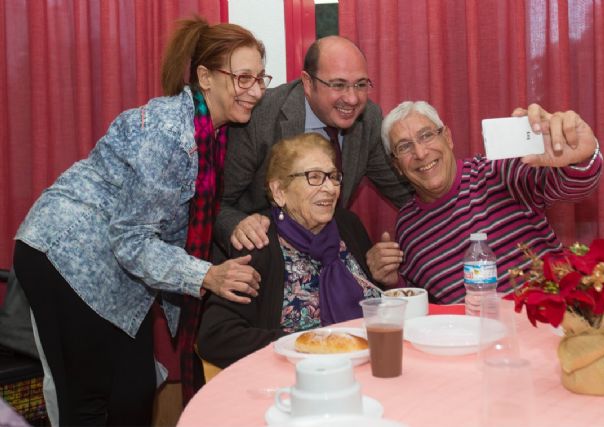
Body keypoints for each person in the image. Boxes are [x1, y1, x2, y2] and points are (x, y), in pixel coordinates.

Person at [12, 16, 269, 425]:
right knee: (89, 401)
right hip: (66, 255)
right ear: (205, 77)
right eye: (242, 78)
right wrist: (207, 276)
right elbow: (133, 239)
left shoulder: (212, 135)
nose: (255, 91)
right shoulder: (168, 132)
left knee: (134, 392)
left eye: (260, 78)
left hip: (119, 268)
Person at [375, 101, 602, 304]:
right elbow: (423, 307)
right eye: (404, 147)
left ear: (448, 138)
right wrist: (392, 281)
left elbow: (572, 188)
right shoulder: (407, 227)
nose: (420, 152)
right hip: (477, 344)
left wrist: (580, 158)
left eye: (426, 135)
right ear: (397, 167)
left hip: (553, 323)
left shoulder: (497, 172)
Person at [197, 133, 392, 367]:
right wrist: (302, 344)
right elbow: (216, 336)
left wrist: (388, 281)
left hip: (370, 362)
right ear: (279, 192)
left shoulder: (348, 225)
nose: (330, 188)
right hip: (298, 380)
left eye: (333, 176)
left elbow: (375, 303)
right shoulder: (259, 243)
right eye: (315, 177)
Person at [214, 35, 413, 253]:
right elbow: (216, 203)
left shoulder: (368, 119)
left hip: (326, 252)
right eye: (338, 85)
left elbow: (404, 192)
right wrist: (237, 225)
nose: (353, 99)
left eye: (361, 84)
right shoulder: (259, 117)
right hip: (263, 257)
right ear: (308, 83)